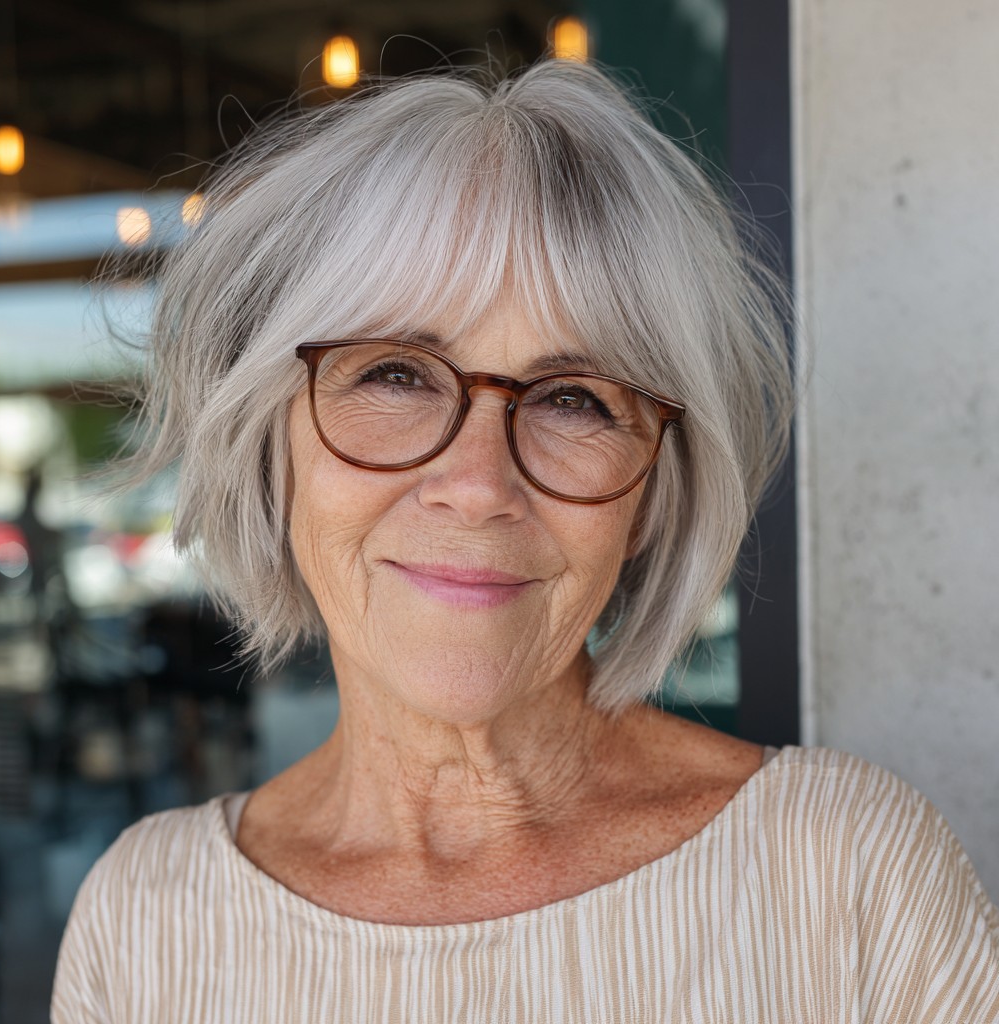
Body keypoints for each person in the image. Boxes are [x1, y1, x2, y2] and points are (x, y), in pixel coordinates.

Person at [51, 60, 999, 1022]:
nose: (477, 485)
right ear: (270, 438)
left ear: (653, 494)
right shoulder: (148, 925)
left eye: (572, 399)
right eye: (395, 375)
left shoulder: (847, 880)